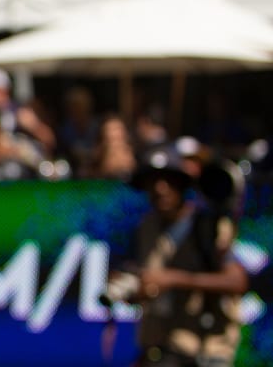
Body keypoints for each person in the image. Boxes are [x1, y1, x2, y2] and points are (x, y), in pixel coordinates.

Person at [106, 145, 248, 367]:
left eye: (167, 181)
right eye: (152, 182)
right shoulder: (147, 227)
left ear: (181, 184)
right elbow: (151, 282)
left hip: (204, 350)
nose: (160, 189)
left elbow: (237, 281)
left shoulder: (208, 226)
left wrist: (174, 279)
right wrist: (136, 288)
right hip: (158, 349)